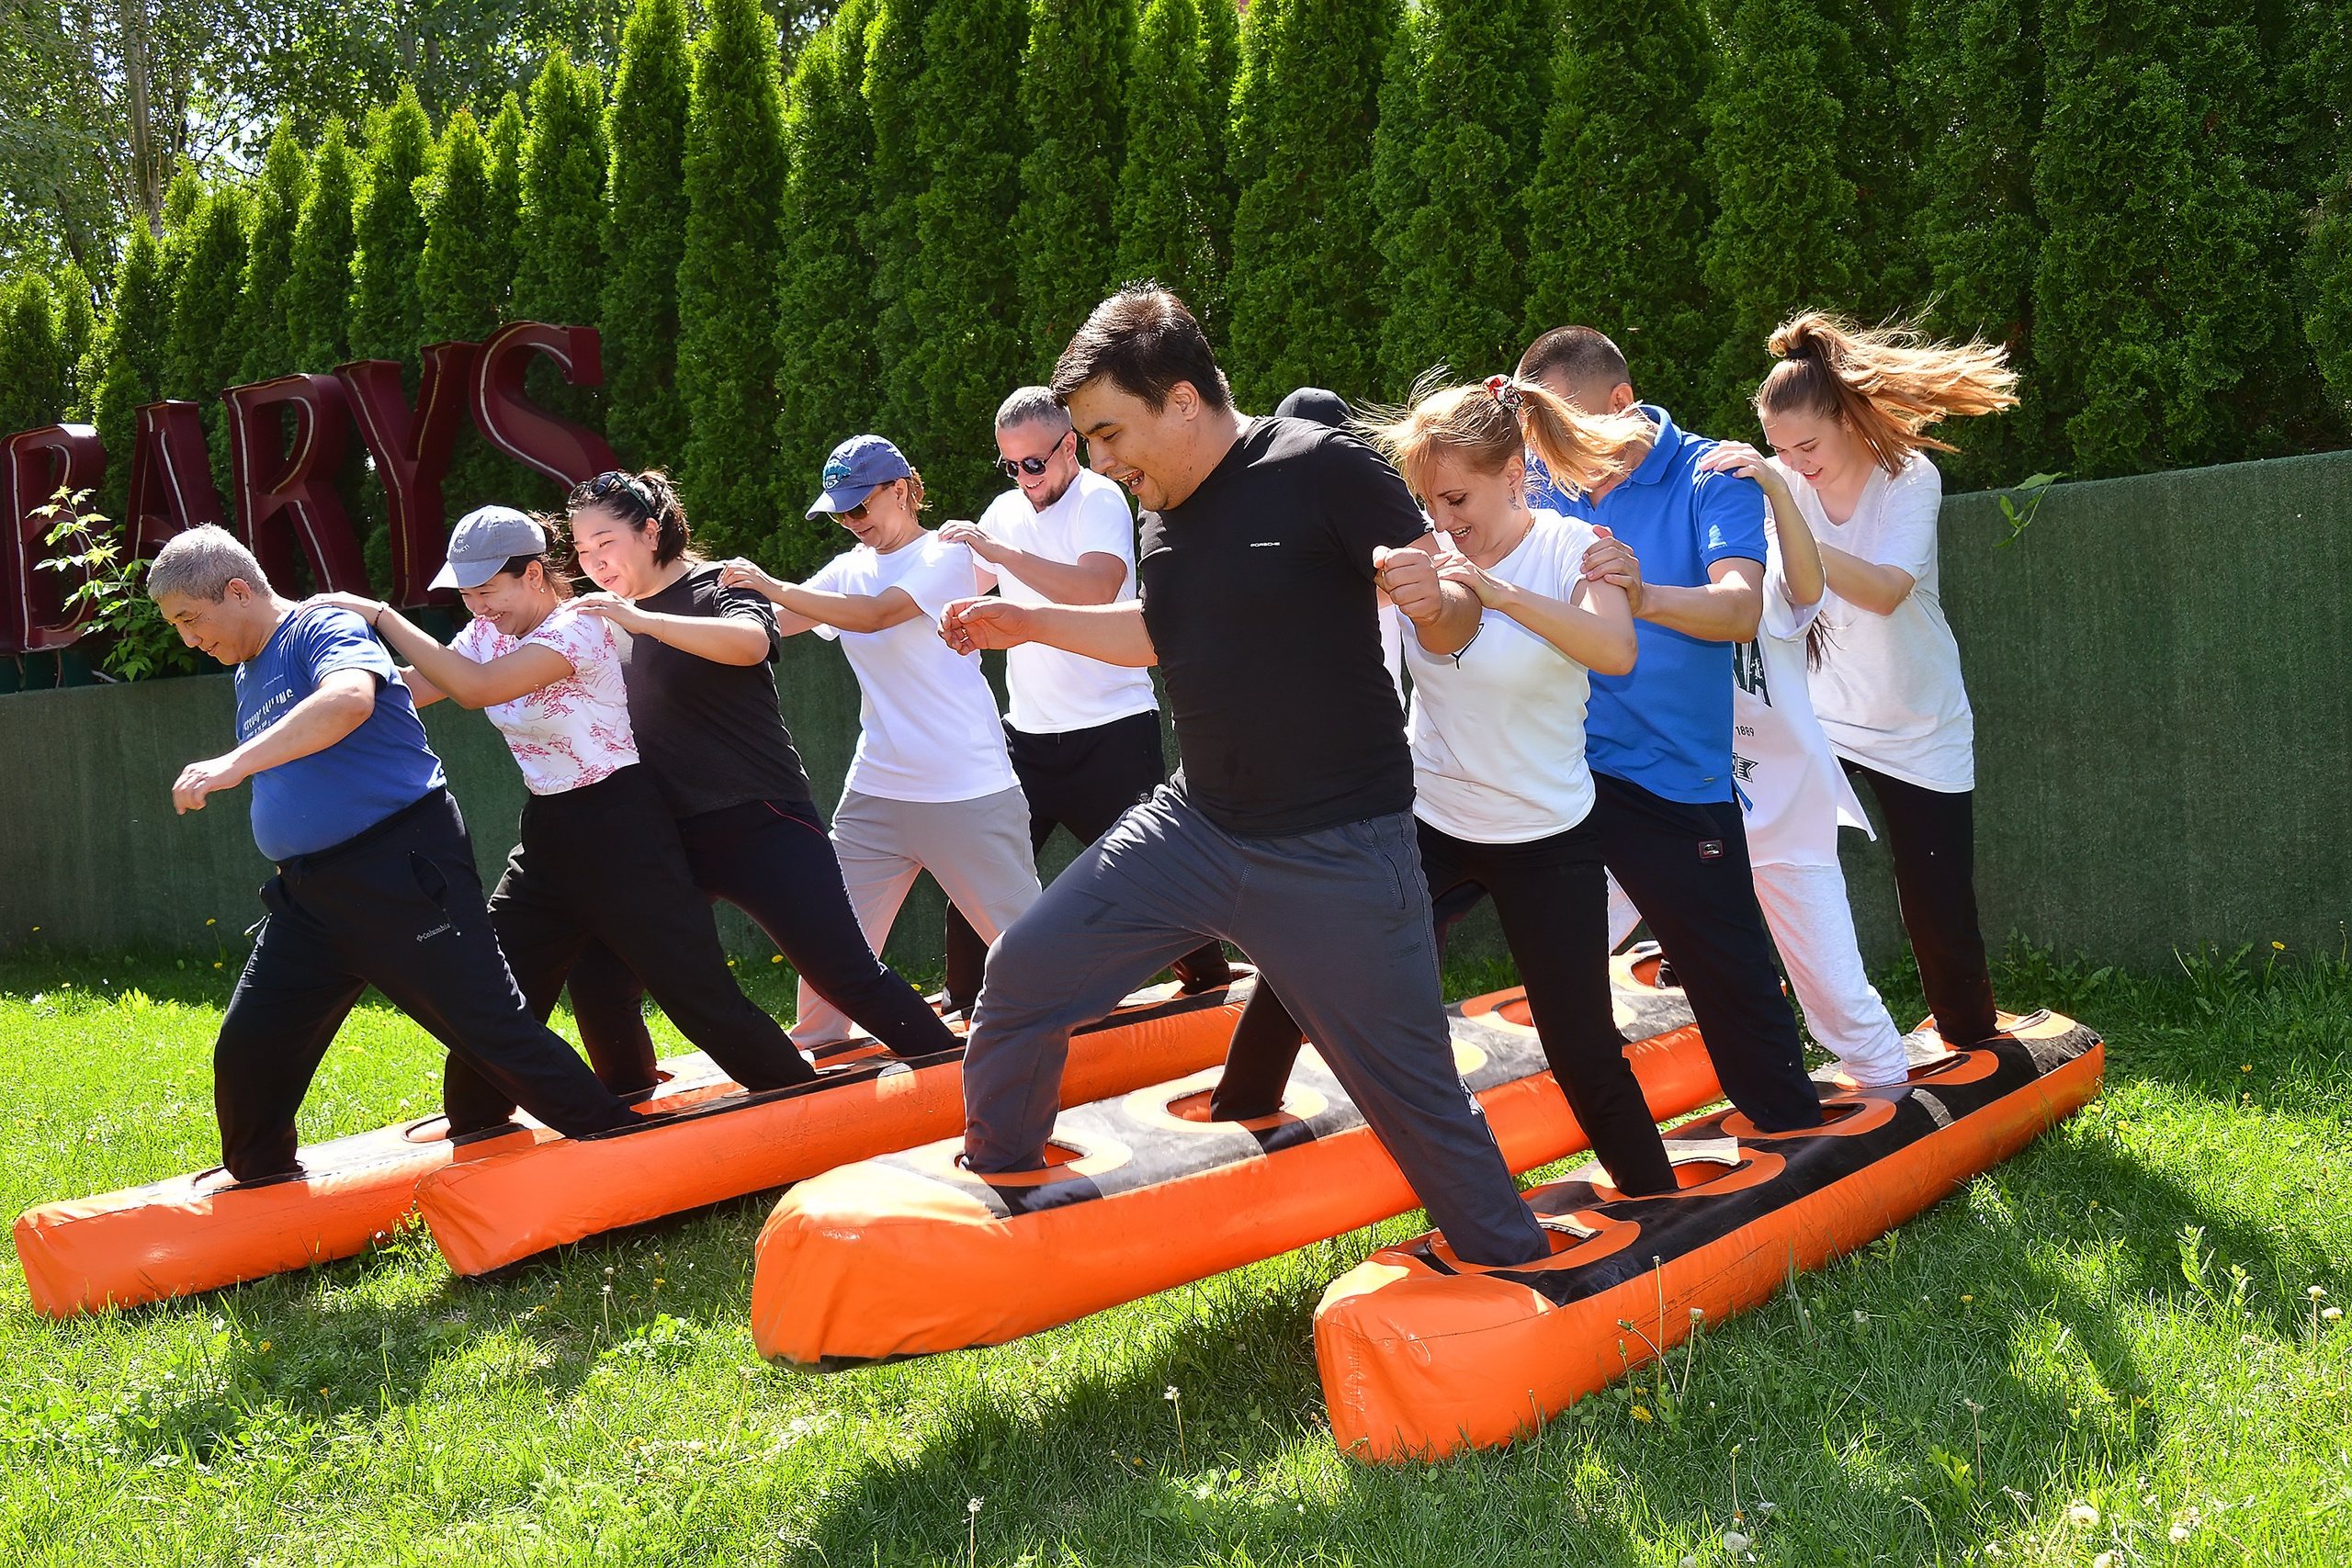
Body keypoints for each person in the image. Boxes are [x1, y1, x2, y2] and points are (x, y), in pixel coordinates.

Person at [941, 285, 1552, 1268]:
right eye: (1087, 440)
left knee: (1413, 1095)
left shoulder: (1322, 467)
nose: (1098, 459)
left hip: (1339, 849)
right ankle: (998, 1201)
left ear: (1181, 400)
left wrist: (1432, 600)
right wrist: (1026, 621)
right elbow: (1167, 635)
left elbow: (1451, 612)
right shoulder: (1159, 505)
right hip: (1197, 825)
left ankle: (1515, 1260)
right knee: (1020, 973)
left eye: (1106, 432)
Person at [1213, 374, 1679, 1193]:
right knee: (1311, 957)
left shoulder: (1575, 548)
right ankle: (1224, 1138)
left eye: (1458, 497)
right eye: (1430, 501)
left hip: (1548, 837)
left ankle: (1659, 1206)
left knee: (1581, 1050)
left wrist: (1500, 592)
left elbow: (1616, 651)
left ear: (1514, 476)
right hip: (1429, 823)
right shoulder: (1424, 553)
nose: (1445, 518)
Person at [148, 525, 637, 1180]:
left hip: (399, 867)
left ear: (238, 591)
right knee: (251, 1046)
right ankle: (263, 1185)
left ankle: (614, 1139)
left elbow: (349, 700)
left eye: (190, 619)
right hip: (310, 896)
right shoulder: (248, 667)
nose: (187, 637)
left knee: (491, 1029)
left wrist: (233, 763)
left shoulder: (319, 629)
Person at [312, 506, 819, 1128]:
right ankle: (477, 1129)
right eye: (466, 594)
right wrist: (335, 687)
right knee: (494, 997)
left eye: (486, 590)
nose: (477, 606)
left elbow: (476, 688)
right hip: (548, 837)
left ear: (532, 574)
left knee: (697, 995)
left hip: (624, 829)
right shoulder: (486, 635)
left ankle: (805, 1100)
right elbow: (423, 684)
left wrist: (383, 616)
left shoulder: (580, 627)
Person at [1515, 325, 1824, 1133]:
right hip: (1555, 770)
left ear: (1620, 403)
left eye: (1571, 428)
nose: (1559, 456)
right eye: (1545, 437)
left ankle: (1793, 1132)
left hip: (1670, 781)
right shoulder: (1543, 472)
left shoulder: (1708, 472)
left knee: (1733, 983)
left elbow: (1740, 608)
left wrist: (1641, 593)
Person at [555, 469, 959, 1069]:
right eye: (582, 550)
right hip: (667, 836)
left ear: (649, 530)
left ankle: (965, 1078)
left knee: (846, 977)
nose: (593, 561)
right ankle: (632, 1119)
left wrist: (640, 620)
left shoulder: (720, 584)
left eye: (605, 542)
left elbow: (749, 643)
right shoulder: (602, 618)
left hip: (760, 820)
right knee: (600, 976)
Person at [1728, 312, 2020, 1048]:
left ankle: (1971, 1040)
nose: (1794, 460)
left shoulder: (1907, 477)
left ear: (1851, 421)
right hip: (1819, 718)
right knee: (1762, 860)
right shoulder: (1784, 485)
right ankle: (1765, 1022)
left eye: (1808, 444)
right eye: (1779, 448)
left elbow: (1887, 589)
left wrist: (1791, 523)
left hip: (1919, 726)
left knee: (1937, 901)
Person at [716, 436, 1043, 1051]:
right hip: (876, 792)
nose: (852, 523)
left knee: (1031, 951)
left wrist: (772, 584)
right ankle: (820, 1043)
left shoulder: (943, 557)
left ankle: (1078, 1033)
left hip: (966, 789)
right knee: (828, 933)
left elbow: (872, 615)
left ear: (901, 489)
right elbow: (772, 624)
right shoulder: (848, 568)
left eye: (859, 507)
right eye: (840, 513)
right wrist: (670, 615)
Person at [1601, 443, 1914, 1087]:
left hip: (1780, 809)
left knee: (1836, 997)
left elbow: (1808, 585)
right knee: (1566, 936)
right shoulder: (1647, 578)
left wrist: (1772, 483)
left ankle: (1891, 1088)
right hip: (1670, 806)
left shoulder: (1760, 584)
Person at [932, 387, 1230, 1018]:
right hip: (1029, 738)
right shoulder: (1003, 513)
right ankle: (963, 1005)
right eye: (1009, 466)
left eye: (1033, 464)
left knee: (1156, 868)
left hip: (1111, 732)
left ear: (1069, 447)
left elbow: (1097, 589)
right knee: (983, 866)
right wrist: (942, 606)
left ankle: (1211, 979)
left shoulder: (1102, 498)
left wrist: (1002, 555)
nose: (1022, 480)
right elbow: (962, 583)